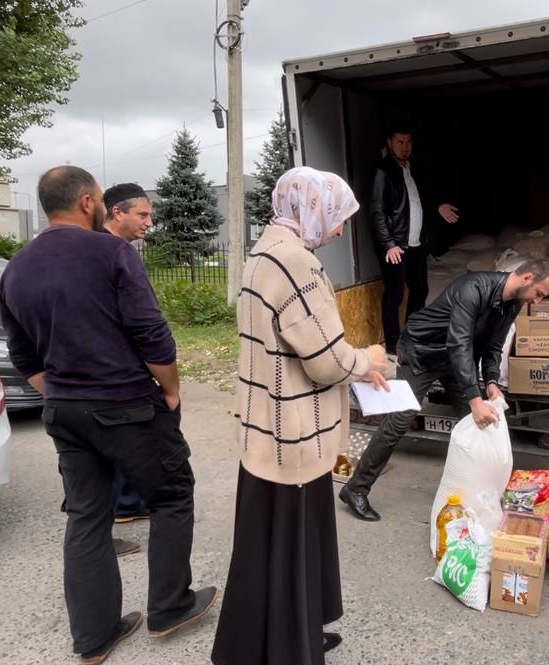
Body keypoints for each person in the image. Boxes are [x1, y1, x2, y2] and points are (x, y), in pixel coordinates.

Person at [0, 166, 217, 665]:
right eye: (98, 198)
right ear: (86, 202)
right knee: (171, 496)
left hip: (63, 411)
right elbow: (150, 332)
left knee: (86, 518)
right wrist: (172, 388)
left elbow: (24, 355)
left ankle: (94, 639)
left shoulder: (17, 267)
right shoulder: (111, 251)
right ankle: (169, 607)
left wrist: (62, 394)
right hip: (126, 406)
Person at [210, 167, 390, 665]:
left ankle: (266, 642)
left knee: (263, 552)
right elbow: (328, 360)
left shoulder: (263, 253)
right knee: (292, 552)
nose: (338, 230)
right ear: (311, 210)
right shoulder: (298, 264)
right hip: (295, 434)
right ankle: (294, 647)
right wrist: (369, 361)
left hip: (263, 430)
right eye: (337, 217)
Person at [339, 259, 549, 522]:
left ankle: (484, 496)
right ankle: (355, 489)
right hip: (422, 352)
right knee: (400, 420)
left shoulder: (513, 303)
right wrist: (474, 397)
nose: (538, 301)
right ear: (527, 278)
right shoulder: (473, 288)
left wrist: (490, 383)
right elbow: (459, 342)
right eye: (539, 293)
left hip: (454, 360)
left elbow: (493, 347)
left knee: (479, 421)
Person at [370, 126, 460, 352]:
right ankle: (392, 346)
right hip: (395, 247)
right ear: (390, 143)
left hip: (416, 244)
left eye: (408, 142)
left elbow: (419, 200)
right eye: (399, 142)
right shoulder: (383, 172)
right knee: (395, 293)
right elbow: (377, 211)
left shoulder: (413, 169)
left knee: (420, 290)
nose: (404, 147)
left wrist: (437, 206)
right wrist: (388, 244)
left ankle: (411, 336)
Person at [101, 183, 153, 532]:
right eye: (143, 215)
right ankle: (123, 503)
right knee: (128, 436)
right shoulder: (113, 252)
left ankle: (128, 501)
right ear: (117, 212)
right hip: (117, 368)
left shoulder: (108, 249)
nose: (149, 222)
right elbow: (143, 320)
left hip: (115, 365)